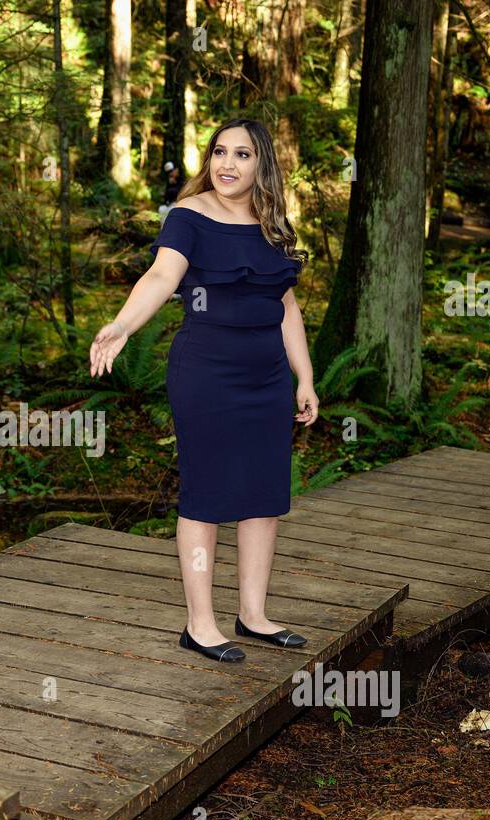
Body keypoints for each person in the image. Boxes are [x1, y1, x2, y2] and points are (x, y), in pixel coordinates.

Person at [90, 118, 320, 664]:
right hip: (206, 373)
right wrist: (122, 326)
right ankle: (199, 625)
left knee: (264, 495)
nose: (228, 164)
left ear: (262, 163)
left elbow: (286, 306)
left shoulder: (274, 227)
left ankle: (254, 615)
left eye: (242, 154)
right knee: (207, 493)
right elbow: (160, 277)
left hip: (267, 377)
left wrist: (304, 376)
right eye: (220, 152)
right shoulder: (189, 217)